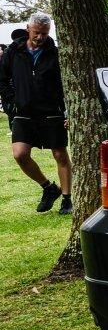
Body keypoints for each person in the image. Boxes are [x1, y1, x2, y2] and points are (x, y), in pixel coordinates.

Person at [0, 13, 72, 214]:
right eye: (36, 33)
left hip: (51, 111)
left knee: (59, 154)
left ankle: (67, 199)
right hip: (24, 112)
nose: (40, 37)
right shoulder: (14, 51)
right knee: (20, 154)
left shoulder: (55, 53)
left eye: (44, 33)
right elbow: (2, 78)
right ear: (27, 29)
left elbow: (65, 84)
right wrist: (12, 101)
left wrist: (67, 113)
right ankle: (49, 188)